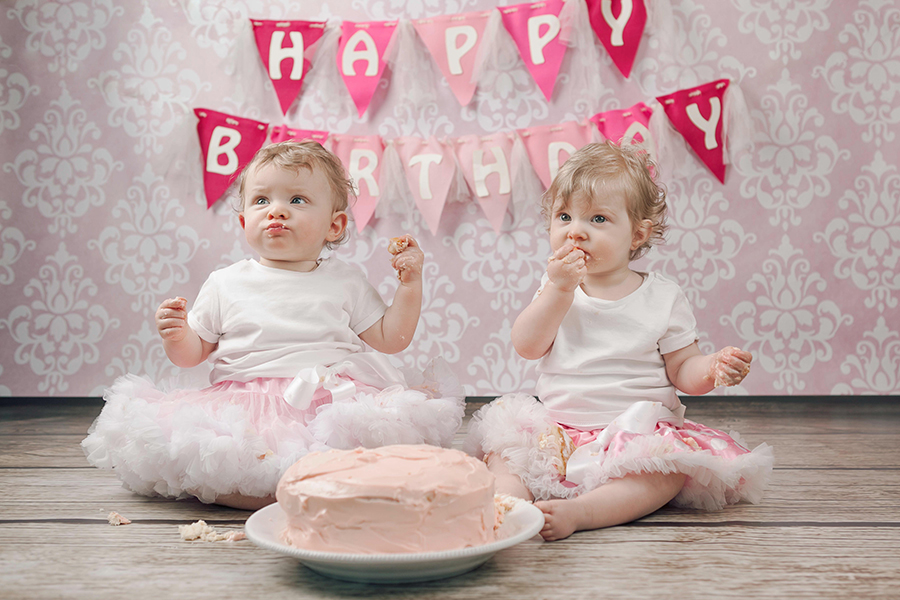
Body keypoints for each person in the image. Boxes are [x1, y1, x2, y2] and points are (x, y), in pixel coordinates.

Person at [83, 141, 464, 510]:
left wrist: (409, 286)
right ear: (244, 220)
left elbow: (391, 339)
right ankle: (262, 494)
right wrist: (177, 334)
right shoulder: (224, 283)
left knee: (369, 454)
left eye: (296, 200)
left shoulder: (346, 281)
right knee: (230, 461)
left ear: (335, 226)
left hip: (330, 405)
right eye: (262, 200)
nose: (276, 211)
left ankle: (326, 486)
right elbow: (191, 355)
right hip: (245, 404)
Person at [464, 141, 773, 541]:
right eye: (564, 216)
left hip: (635, 434)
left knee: (663, 475)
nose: (576, 230)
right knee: (505, 455)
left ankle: (583, 512)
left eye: (597, 219)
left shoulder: (662, 297)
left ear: (637, 233)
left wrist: (711, 368)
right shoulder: (557, 287)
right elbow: (527, 345)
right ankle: (510, 505)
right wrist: (557, 291)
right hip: (558, 429)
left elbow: (683, 371)